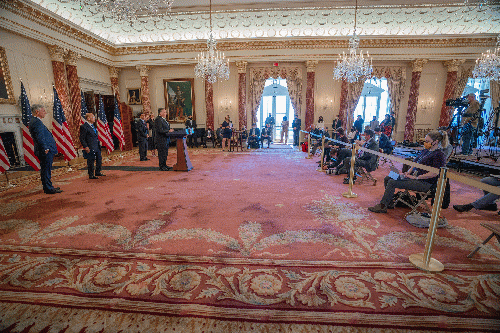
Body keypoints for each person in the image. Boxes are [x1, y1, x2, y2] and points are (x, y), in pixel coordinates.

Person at [368, 130, 448, 213]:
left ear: (436, 142)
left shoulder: (439, 155)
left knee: (392, 182)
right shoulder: (426, 150)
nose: (425, 143)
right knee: (388, 178)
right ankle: (389, 203)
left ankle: (382, 206)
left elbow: (435, 173)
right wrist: (408, 172)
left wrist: (416, 177)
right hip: (413, 177)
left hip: (425, 182)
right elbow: (415, 163)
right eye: (425, 141)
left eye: (427, 141)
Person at [29, 104, 61, 193]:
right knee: (46, 170)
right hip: (44, 150)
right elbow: (40, 137)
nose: (45, 113)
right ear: (37, 112)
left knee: (46, 169)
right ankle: (48, 188)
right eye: (43, 111)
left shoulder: (36, 121)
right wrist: (45, 148)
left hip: (44, 149)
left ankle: (48, 187)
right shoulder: (36, 122)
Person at [80, 112, 105, 180]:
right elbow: (82, 138)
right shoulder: (84, 127)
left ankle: (98, 172)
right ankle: (91, 175)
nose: (94, 118)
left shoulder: (93, 126)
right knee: (91, 161)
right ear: (88, 118)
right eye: (93, 117)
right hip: (90, 147)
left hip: (96, 146)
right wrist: (86, 146)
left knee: (99, 159)